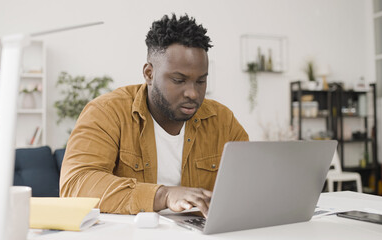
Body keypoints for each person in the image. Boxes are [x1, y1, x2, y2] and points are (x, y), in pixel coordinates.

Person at [60, 14, 249, 217]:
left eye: (201, 81)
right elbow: (75, 186)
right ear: (149, 74)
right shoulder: (106, 112)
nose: (193, 93)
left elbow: (252, 183)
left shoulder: (222, 120)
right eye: (178, 80)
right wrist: (163, 195)